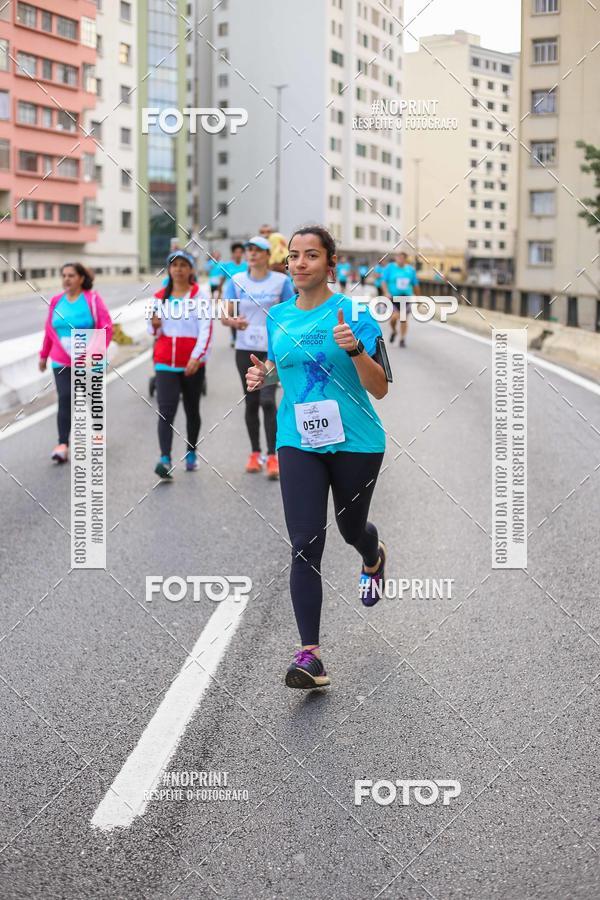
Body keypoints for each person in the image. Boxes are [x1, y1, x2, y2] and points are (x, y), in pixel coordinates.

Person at [245, 226, 390, 689]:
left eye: (311, 255)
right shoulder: (278, 316)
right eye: (294, 255)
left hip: (357, 442)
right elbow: (284, 368)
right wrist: (264, 376)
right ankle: (311, 656)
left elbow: (380, 388)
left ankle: (372, 555)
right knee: (305, 542)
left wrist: (355, 349)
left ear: (330, 264)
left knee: (351, 529)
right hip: (297, 440)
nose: (300, 262)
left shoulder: (355, 314)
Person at [223, 235, 295, 478]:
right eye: (249, 249)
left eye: (257, 250)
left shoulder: (281, 281)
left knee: (267, 400)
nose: (252, 253)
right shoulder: (236, 280)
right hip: (245, 349)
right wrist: (234, 321)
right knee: (252, 401)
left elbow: (291, 313)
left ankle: (273, 456)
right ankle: (255, 453)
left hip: (271, 350)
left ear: (267, 255)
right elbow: (225, 315)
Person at [39, 263, 113, 463]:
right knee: (65, 397)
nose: (66, 279)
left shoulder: (92, 299)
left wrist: (94, 352)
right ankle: (62, 444)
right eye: (64, 275)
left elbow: (106, 327)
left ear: (81, 278)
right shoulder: (56, 301)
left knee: (92, 398)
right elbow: (49, 330)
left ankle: (98, 433)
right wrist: (43, 355)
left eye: (71, 275)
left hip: (89, 358)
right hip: (61, 359)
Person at [149, 250, 213, 479]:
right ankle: (165, 459)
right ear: (169, 269)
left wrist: (197, 357)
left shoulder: (200, 297)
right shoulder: (158, 297)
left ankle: (191, 453)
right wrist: (154, 324)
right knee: (166, 410)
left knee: (191, 409)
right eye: (174, 265)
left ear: (191, 269)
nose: (178, 269)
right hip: (165, 361)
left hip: (192, 362)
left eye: (183, 265)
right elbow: (152, 330)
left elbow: (206, 329)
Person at [381, 251, 420, 347]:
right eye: (399, 258)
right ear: (396, 258)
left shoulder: (410, 270)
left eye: (403, 258)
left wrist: (418, 298)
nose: (401, 260)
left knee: (404, 319)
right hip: (392, 298)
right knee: (394, 318)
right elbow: (384, 282)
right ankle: (394, 331)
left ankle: (402, 339)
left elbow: (415, 285)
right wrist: (386, 292)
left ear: (405, 259)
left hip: (406, 297)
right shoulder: (390, 268)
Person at [220, 242, 248, 347]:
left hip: (243, 295)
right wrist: (219, 292)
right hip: (231, 296)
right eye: (236, 252)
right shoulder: (227, 265)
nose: (238, 254)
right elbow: (222, 279)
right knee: (232, 316)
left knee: (242, 316)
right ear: (233, 253)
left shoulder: (246, 265)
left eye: (240, 252)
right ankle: (234, 337)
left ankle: (242, 336)